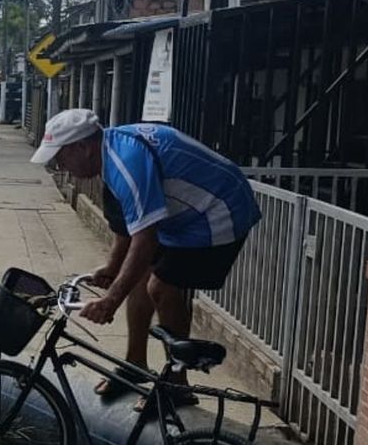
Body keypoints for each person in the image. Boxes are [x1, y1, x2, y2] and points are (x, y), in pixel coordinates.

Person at [31, 110, 261, 410]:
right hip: (184, 212)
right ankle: (135, 364)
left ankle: (177, 385)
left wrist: (110, 301)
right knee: (139, 277)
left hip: (220, 209)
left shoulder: (127, 164)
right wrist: (113, 268)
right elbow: (127, 230)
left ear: (82, 147)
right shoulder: (109, 157)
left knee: (162, 287)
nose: (59, 166)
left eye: (60, 157)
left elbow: (145, 241)